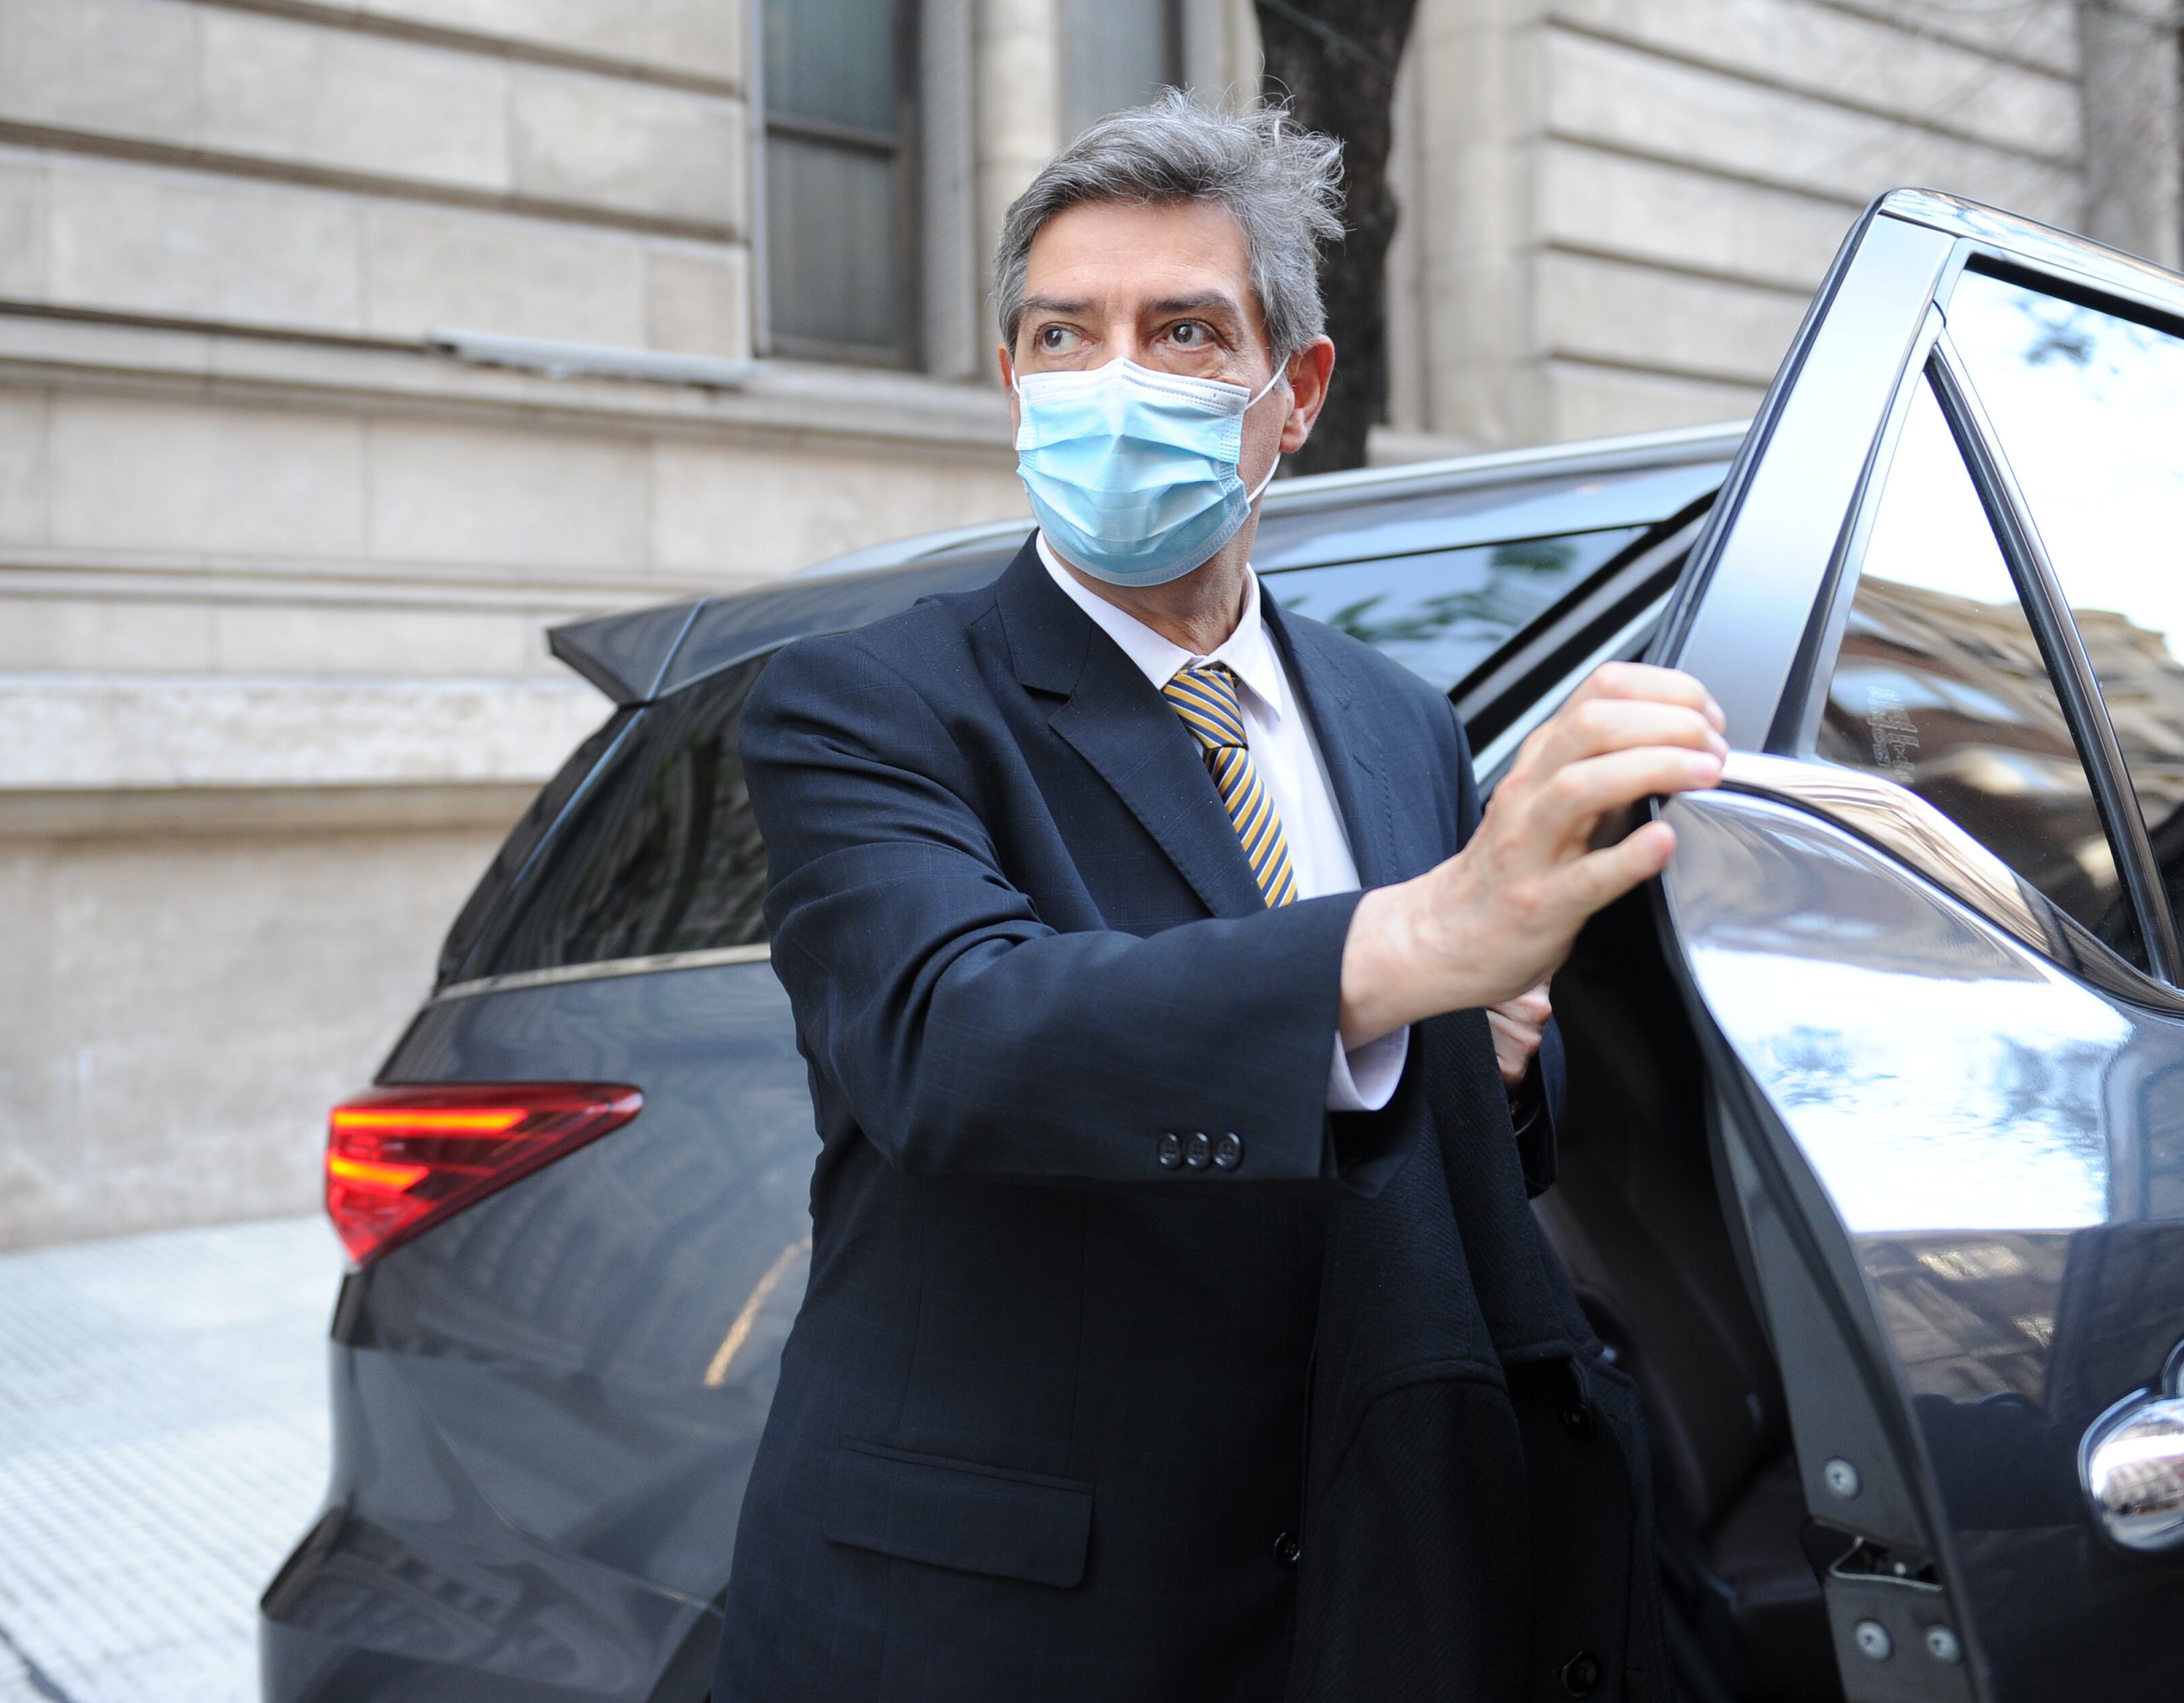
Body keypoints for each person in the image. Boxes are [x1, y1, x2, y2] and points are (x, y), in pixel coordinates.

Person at [717, 92, 1727, 1703]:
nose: (1110, 380)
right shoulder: (866, 704)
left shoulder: (1396, 718)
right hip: (1014, 1621)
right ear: (1011, 381)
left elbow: (1442, 1103)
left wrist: (1500, 1048)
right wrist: (1418, 939)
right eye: (1064, 334)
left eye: (1181, 330)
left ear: (1293, 392)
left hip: (1374, 1582)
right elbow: (951, 1037)